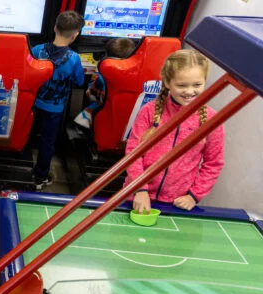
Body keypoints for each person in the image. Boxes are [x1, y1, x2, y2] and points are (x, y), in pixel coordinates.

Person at [125, 49, 224, 213]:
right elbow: (132, 152)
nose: (190, 91)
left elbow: (213, 163)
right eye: (181, 85)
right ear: (167, 82)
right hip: (136, 195)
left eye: (197, 85)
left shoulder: (211, 120)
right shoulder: (149, 111)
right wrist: (140, 189)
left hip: (177, 202)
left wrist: (194, 195)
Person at [30, 11, 85, 190]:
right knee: (48, 142)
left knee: (29, 133)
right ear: (75, 35)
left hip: (33, 104)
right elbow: (79, 81)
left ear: (55, 27)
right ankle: (40, 177)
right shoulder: (74, 59)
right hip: (54, 109)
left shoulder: (38, 50)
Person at [73, 37, 135, 129]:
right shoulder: (135, 74)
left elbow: (90, 95)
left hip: (104, 116)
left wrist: (96, 74)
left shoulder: (101, 76)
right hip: (127, 117)